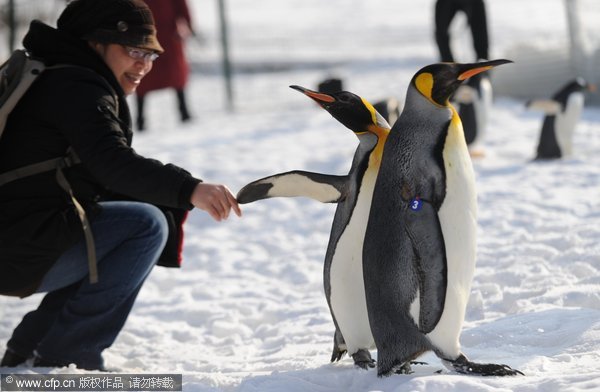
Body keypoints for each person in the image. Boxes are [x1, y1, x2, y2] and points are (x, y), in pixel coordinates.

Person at [0, 0, 241, 371]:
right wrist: (189, 189)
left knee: (126, 219)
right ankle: (68, 354)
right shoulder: (77, 85)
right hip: (15, 249)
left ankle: (31, 346)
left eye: (151, 54)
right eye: (134, 50)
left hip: (19, 239)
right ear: (95, 43)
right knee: (143, 225)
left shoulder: (57, 75)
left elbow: (96, 172)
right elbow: (112, 162)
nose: (144, 64)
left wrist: (170, 194)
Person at [134, 0, 193, 130]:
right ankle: (140, 118)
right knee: (142, 74)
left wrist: (189, 24)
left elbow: (180, 5)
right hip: (146, 35)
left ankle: (184, 111)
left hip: (167, 35)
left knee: (176, 74)